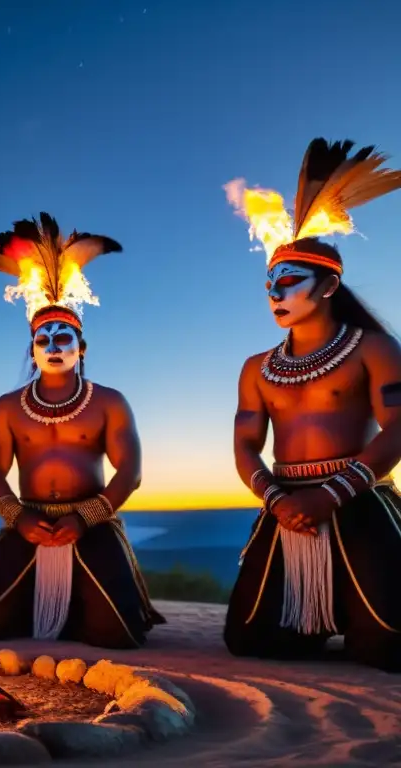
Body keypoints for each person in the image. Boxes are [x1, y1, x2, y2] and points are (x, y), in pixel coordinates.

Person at [224, 138, 401, 672]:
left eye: (289, 281)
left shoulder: (373, 347)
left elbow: (397, 428)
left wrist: (332, 494)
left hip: (357, 499)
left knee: (388, 646)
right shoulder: (257, 368)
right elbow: (246, 446)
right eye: (269, 284)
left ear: (327, 286)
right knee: (251, 639)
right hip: (285, 506)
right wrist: (277, 501)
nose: (275, 293)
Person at [0, 213, 163, 648]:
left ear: (81, 347)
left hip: (92, 519)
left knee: (118, 634)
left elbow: (131, 473)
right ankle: (43, 606)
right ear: (31, 349)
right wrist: (18, 518)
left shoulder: (109, 402)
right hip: (28, 520)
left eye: (63, 337)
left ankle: (77, 606)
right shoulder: (8, 407)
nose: (52, 346)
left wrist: (85, 519)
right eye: (43, 339)